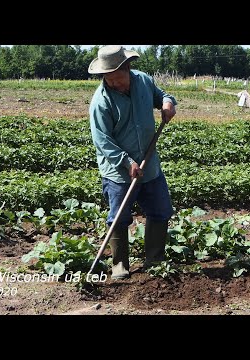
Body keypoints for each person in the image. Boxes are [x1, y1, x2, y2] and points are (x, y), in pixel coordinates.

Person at [88, 45, 177, 280]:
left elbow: (162, 96)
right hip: (119, 171)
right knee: (119, 217)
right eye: (110, 81)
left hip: (150, 166)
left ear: (128, 68)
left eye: (119, 79)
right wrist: (127, 163)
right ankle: (120, 265)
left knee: (159, 211)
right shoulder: (101, 102)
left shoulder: (144, 81)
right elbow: (103, 142)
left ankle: (154, 261)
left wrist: (168, 104)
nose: (116, 85)